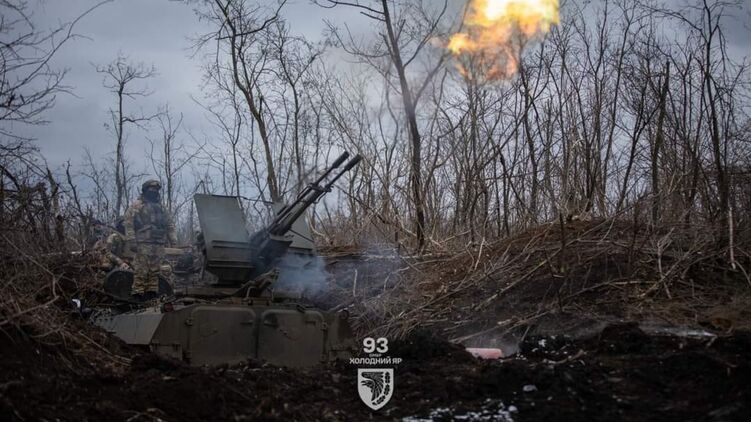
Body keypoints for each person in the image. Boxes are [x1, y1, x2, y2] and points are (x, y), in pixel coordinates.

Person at [123, 179, 176, 299]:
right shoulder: (137, 205)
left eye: (156, 189)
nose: (154, 191)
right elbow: (129, 223)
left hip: (158, 243)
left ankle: (152, 293)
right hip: (143, 243)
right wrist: (131, 240)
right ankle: (137, 294)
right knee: (141, 270)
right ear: (145, 190)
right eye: (151, 189)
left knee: (155, 270)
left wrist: (173, 240)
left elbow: (170, 224)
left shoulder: (161, 207)